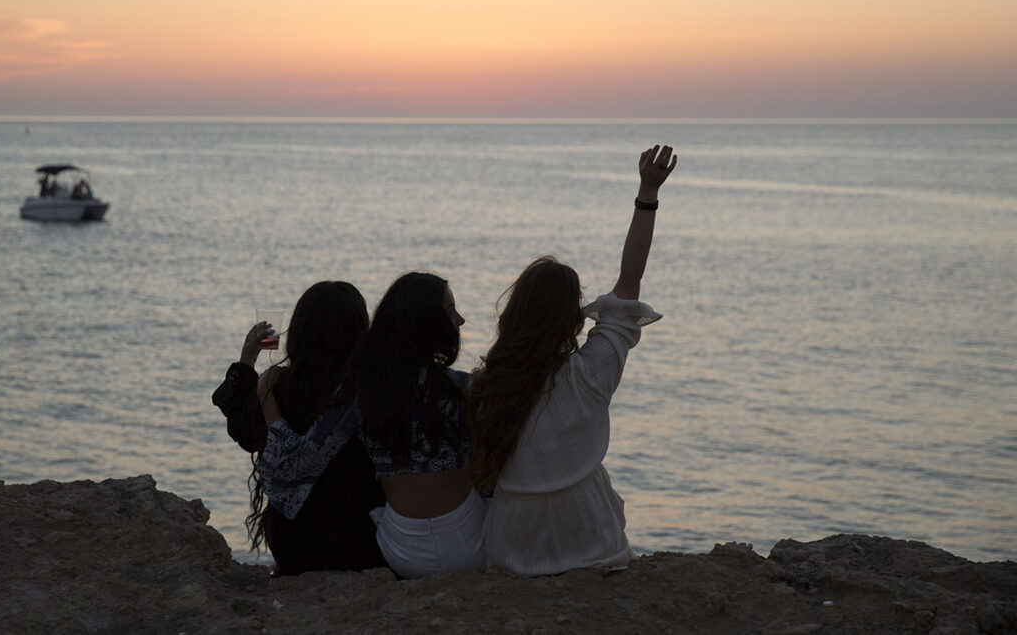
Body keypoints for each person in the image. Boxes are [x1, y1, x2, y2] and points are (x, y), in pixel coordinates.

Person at [467, 143, 678, 576]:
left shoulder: (487, 386)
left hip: (514, 547)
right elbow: (629, 282)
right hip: (590, 540)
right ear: (572, 316)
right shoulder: (589, 374)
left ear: (515, 315)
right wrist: (647, 194)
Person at [259, 272, 486, 578]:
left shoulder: (362, 393)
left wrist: (266, 396)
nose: (460, 320)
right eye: (450, 311)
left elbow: (296, 464)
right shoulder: (465, 388)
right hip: (472, 548)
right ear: (426, 323)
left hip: (403, 552)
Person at [212, 281, 386, 576]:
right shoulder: (370, 391)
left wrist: (247, 360)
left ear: (300, 332)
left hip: (293, 545)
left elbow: (244, 431)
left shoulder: (279, 387)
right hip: (361, 542)